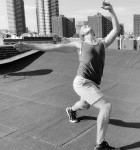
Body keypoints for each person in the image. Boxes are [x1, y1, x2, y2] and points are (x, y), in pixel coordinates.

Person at [15, 1, 120, 149]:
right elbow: (55, 47)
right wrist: (29, 45)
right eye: (83, 27)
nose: (85, 26)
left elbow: (116, 29)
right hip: (82, 82)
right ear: (82, 35)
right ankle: (100, 144)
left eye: (86, 25)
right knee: (106, 107)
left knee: (84, 104)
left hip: (93, 84)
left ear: (93, 31)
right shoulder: (80, 45)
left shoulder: (102, 43)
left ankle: (71, 110)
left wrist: (112, 10)